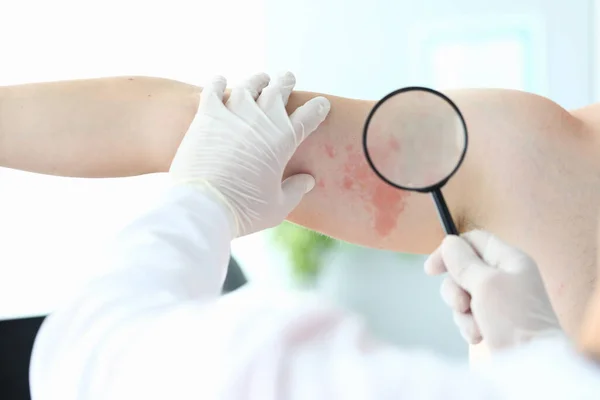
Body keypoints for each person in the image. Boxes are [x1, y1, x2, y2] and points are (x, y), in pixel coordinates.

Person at [29, 72, 600, 400]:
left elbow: (97, 356)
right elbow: (166, 123)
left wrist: (203, 197)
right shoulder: (542, 155)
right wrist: (539, 360)